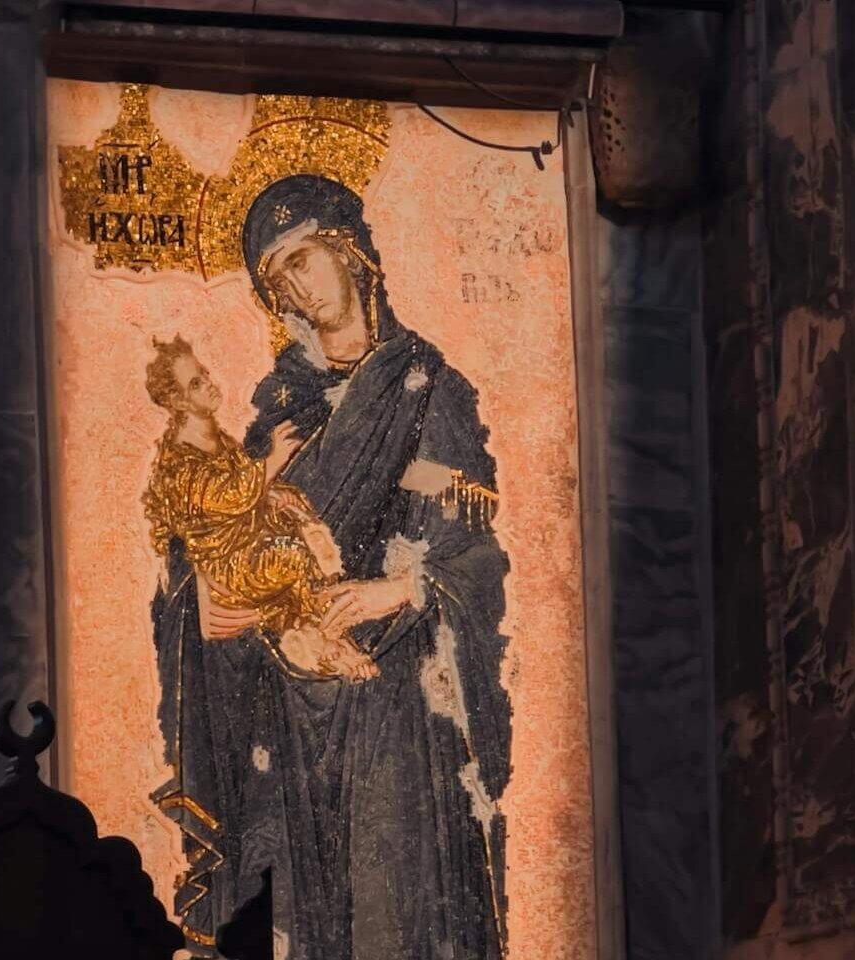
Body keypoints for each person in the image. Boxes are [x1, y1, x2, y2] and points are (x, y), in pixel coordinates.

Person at [150, 174, 513, 959]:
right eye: (277, 280)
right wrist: (211, 604)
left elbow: (475, 550)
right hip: (290, 713)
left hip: (393, 708)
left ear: (349, 251)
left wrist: (394, 589)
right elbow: (210, 555)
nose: (298, 288)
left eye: (303, 259)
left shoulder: (425, 390)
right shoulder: (282, 411)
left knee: (395, 914)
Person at [139, 335, 376, 682]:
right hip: (228, 562)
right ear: (178, 401)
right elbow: (229, 496)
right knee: (293, 555)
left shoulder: (213, 435)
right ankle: (337, 638)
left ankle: (322, 632)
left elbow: (246, 485)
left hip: (249, 536)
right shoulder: (180, 460)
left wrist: (276, 494)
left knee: (306, 526)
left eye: (204, 373)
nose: (208, 383)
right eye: (195, 384)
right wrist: (275, 460)